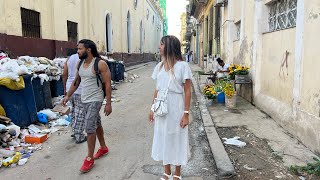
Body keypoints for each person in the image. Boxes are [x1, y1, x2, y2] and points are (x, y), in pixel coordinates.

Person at [62, 39, 112, 173]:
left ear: (88, 50)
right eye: (77, 49)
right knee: (96, 123)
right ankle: (103, 147)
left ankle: (89, 158)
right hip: (84, 99)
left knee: (89, 127)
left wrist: (108, 103)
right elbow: (76, 81)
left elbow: (107, 83)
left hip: (96, 99)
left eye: (80, 49)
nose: (77, 51)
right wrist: (67, 96)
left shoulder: (100, 64)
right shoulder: (80, 63)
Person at [149, 35, 192, 180]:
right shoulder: (160, 66)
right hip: (162, 107)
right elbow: (157, 89)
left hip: (176, 106)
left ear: (169, 47)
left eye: (162, 44)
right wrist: (152, 108)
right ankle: (166, 172)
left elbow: (187, 91)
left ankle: (177, 173)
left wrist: (186, 114)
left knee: (177, 137)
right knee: (163, 137)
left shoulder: (182, 66)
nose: (159, 47)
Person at [62, 52, 86, 144]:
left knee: (73, 111)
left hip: (69, 88)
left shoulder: (69, 59)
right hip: (79, 88)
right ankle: (79, 136)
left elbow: (64, 74)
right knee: (80, 112)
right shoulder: (85, 58)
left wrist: (65, 89)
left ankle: (74, 131)